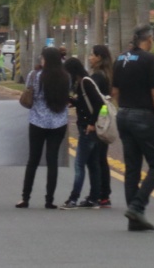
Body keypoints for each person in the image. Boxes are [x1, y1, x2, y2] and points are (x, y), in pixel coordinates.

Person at [113, 25, 154, 231]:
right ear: (149, 39)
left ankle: (134, 220)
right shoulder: (149, 59)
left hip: (124, 113)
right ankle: (137, 206)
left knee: (132, 168)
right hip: (144, 115)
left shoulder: (121, 59)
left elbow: (115, 91)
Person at [16, 46, 70, 210]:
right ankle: (49, 200)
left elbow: (29, 93)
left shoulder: (35, 76)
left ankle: (25, 198)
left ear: (46, 60)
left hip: (37, 121)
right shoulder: (65, 77)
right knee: (52, 160)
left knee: (33, 159)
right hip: (59, 122)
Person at [60, 57, 103, 210]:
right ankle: (94, 198)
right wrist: (73, 101)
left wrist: (91, 123)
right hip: (87, 127)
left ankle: (73, 199)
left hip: (88, 128)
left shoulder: (85, 82)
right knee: (93, 164)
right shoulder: (82, 83)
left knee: (79, 164)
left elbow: (99, 103)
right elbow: (86, 103)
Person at [89, 44, 114, 208]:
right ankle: (105, 194)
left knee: (96, 159)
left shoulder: (98, 77)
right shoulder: (108, 75)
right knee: (102, 158)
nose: (90, 57)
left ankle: (99, 193)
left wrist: (91, 122)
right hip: (105, 120)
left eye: (92, 55)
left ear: (99, 57)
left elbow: (96, 102)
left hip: (99, 121)